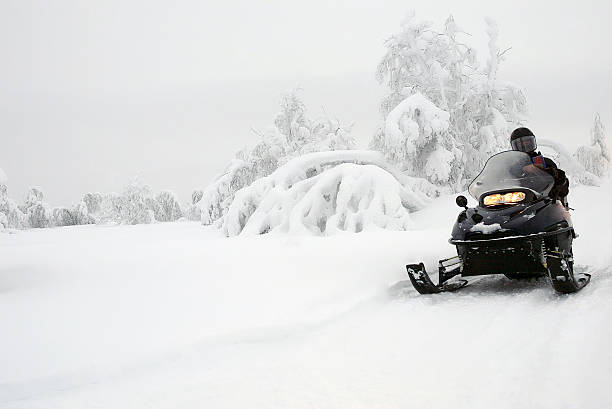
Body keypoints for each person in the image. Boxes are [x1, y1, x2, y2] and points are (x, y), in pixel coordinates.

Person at [510, 127, 569, 205]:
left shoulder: (546, 162)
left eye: (527, 142)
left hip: (547, 204)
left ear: (532, 142)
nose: (524, 146)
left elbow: (563, 185)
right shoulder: (512, 168)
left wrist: (546, 171)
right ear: (514, 146)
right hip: (520, 207)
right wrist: (523, 170)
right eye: (520, 144)